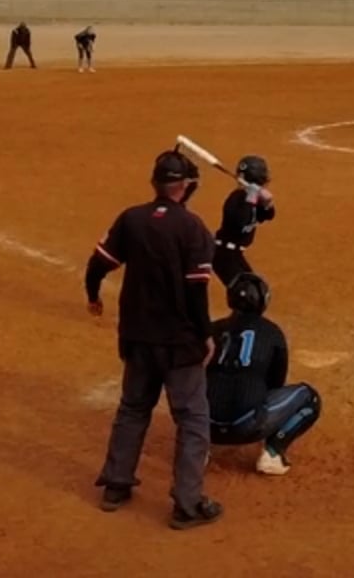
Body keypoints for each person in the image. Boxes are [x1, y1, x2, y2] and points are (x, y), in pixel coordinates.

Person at [85, 149, 223, 530]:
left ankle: (115, 486)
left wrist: (93, 296)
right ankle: (187, 504)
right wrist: (206, 334)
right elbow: (196, 292)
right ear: (186, 186)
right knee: (192, 418)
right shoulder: (193, 228)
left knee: (132, 409)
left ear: (155, 183)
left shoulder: (131, 219)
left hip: (137, 337)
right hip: (179, 343)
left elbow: (97, 265)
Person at [208, 273, 322, 477]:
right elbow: (276, 384)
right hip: (246, 425)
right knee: (309, 398)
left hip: (203, 425)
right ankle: (273, 453)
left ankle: (196, 449)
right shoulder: (272, 332)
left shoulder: (213, 329)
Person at [213, 156, 275, 285]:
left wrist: (267, 204)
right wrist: (252, 197)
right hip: (223, 255)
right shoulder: (236, 198)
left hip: (234, 254)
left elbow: (268, 216)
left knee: (256, 288)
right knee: (247, 293)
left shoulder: (251, 199)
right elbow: (243, 222)